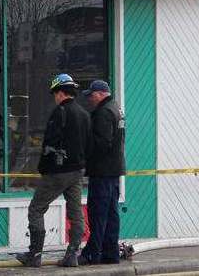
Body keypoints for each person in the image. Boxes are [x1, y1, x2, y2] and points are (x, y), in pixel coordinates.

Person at [16, 74, 90, 268]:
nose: (54, 97)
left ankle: (35, 255)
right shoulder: (84, 114)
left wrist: (43, 167)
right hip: (77, 171)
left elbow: (49, 143)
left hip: (58, 171)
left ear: (60, 93)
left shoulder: (60, 113)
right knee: (76, 213)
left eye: (54, 93)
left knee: (36, 208)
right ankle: (72, 254)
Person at [79, 80, 126, 266]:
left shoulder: (104, 112)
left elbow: (101, 143)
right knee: (111, 214)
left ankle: (92, 253)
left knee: (98, 213)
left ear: (100, 94)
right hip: (113, 170)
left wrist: (85, 151)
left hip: (103, 171)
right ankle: (110, 253)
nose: (90, 99)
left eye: (91, 95)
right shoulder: (116, 109)